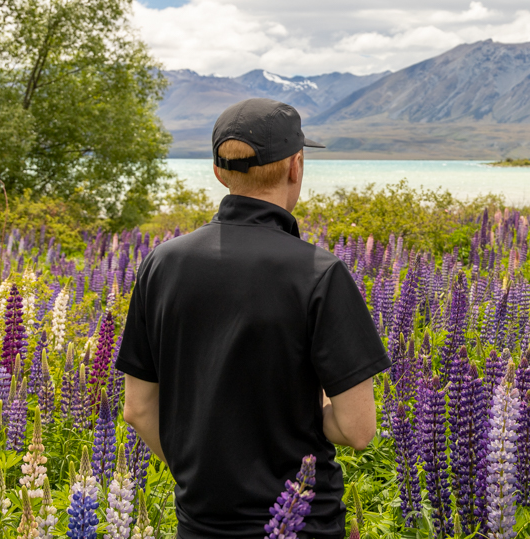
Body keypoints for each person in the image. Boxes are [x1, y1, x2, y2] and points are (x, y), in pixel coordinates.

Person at [116, 98, 391, 539]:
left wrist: (202, 473)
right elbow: (358, 430)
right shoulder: (320, 273)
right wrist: (305, 408)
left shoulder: (161, 263)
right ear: (295, 167)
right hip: (305, 525)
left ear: (219, 172)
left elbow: (138, 409)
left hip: (200, 524)